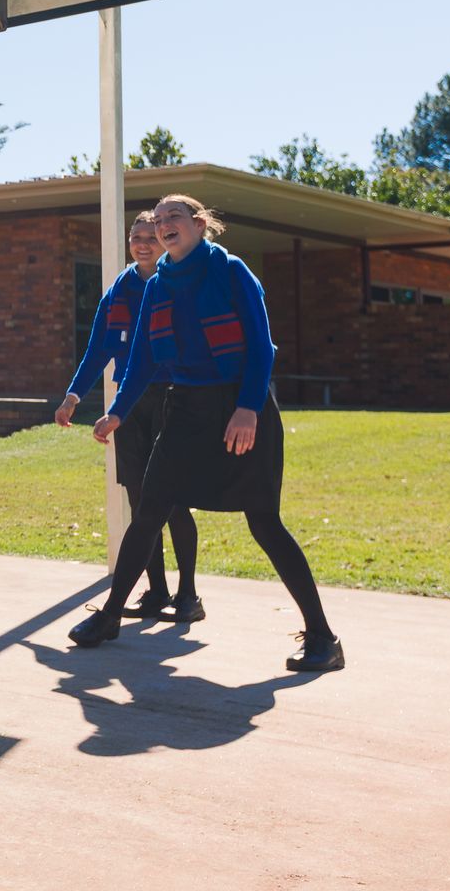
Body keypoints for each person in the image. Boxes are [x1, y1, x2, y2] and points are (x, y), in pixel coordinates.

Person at [69, 194, 344, 673]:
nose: (162, 225)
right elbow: (143, 360)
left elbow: (262, 347)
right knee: (149, 511)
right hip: (185, 409)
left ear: (199, 224)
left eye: (173, 217)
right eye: (157, 221)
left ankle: (323, 637)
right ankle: (111, 616)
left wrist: (247, 409)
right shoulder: (158, 285)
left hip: (240, 404)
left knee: (264, 522)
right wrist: (117, 412)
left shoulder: (231, 270)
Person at [55, 212, 201, 622]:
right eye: (135, 237)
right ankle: (155, 592)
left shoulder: (177, 281)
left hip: (173, 396)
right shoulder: (119, 288)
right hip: (130, 404)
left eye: (148, 237)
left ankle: (188, 595)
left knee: (172, 500)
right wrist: (72, 397)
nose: (141, 243)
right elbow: (99, 348)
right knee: (140, 499)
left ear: (162, 239)